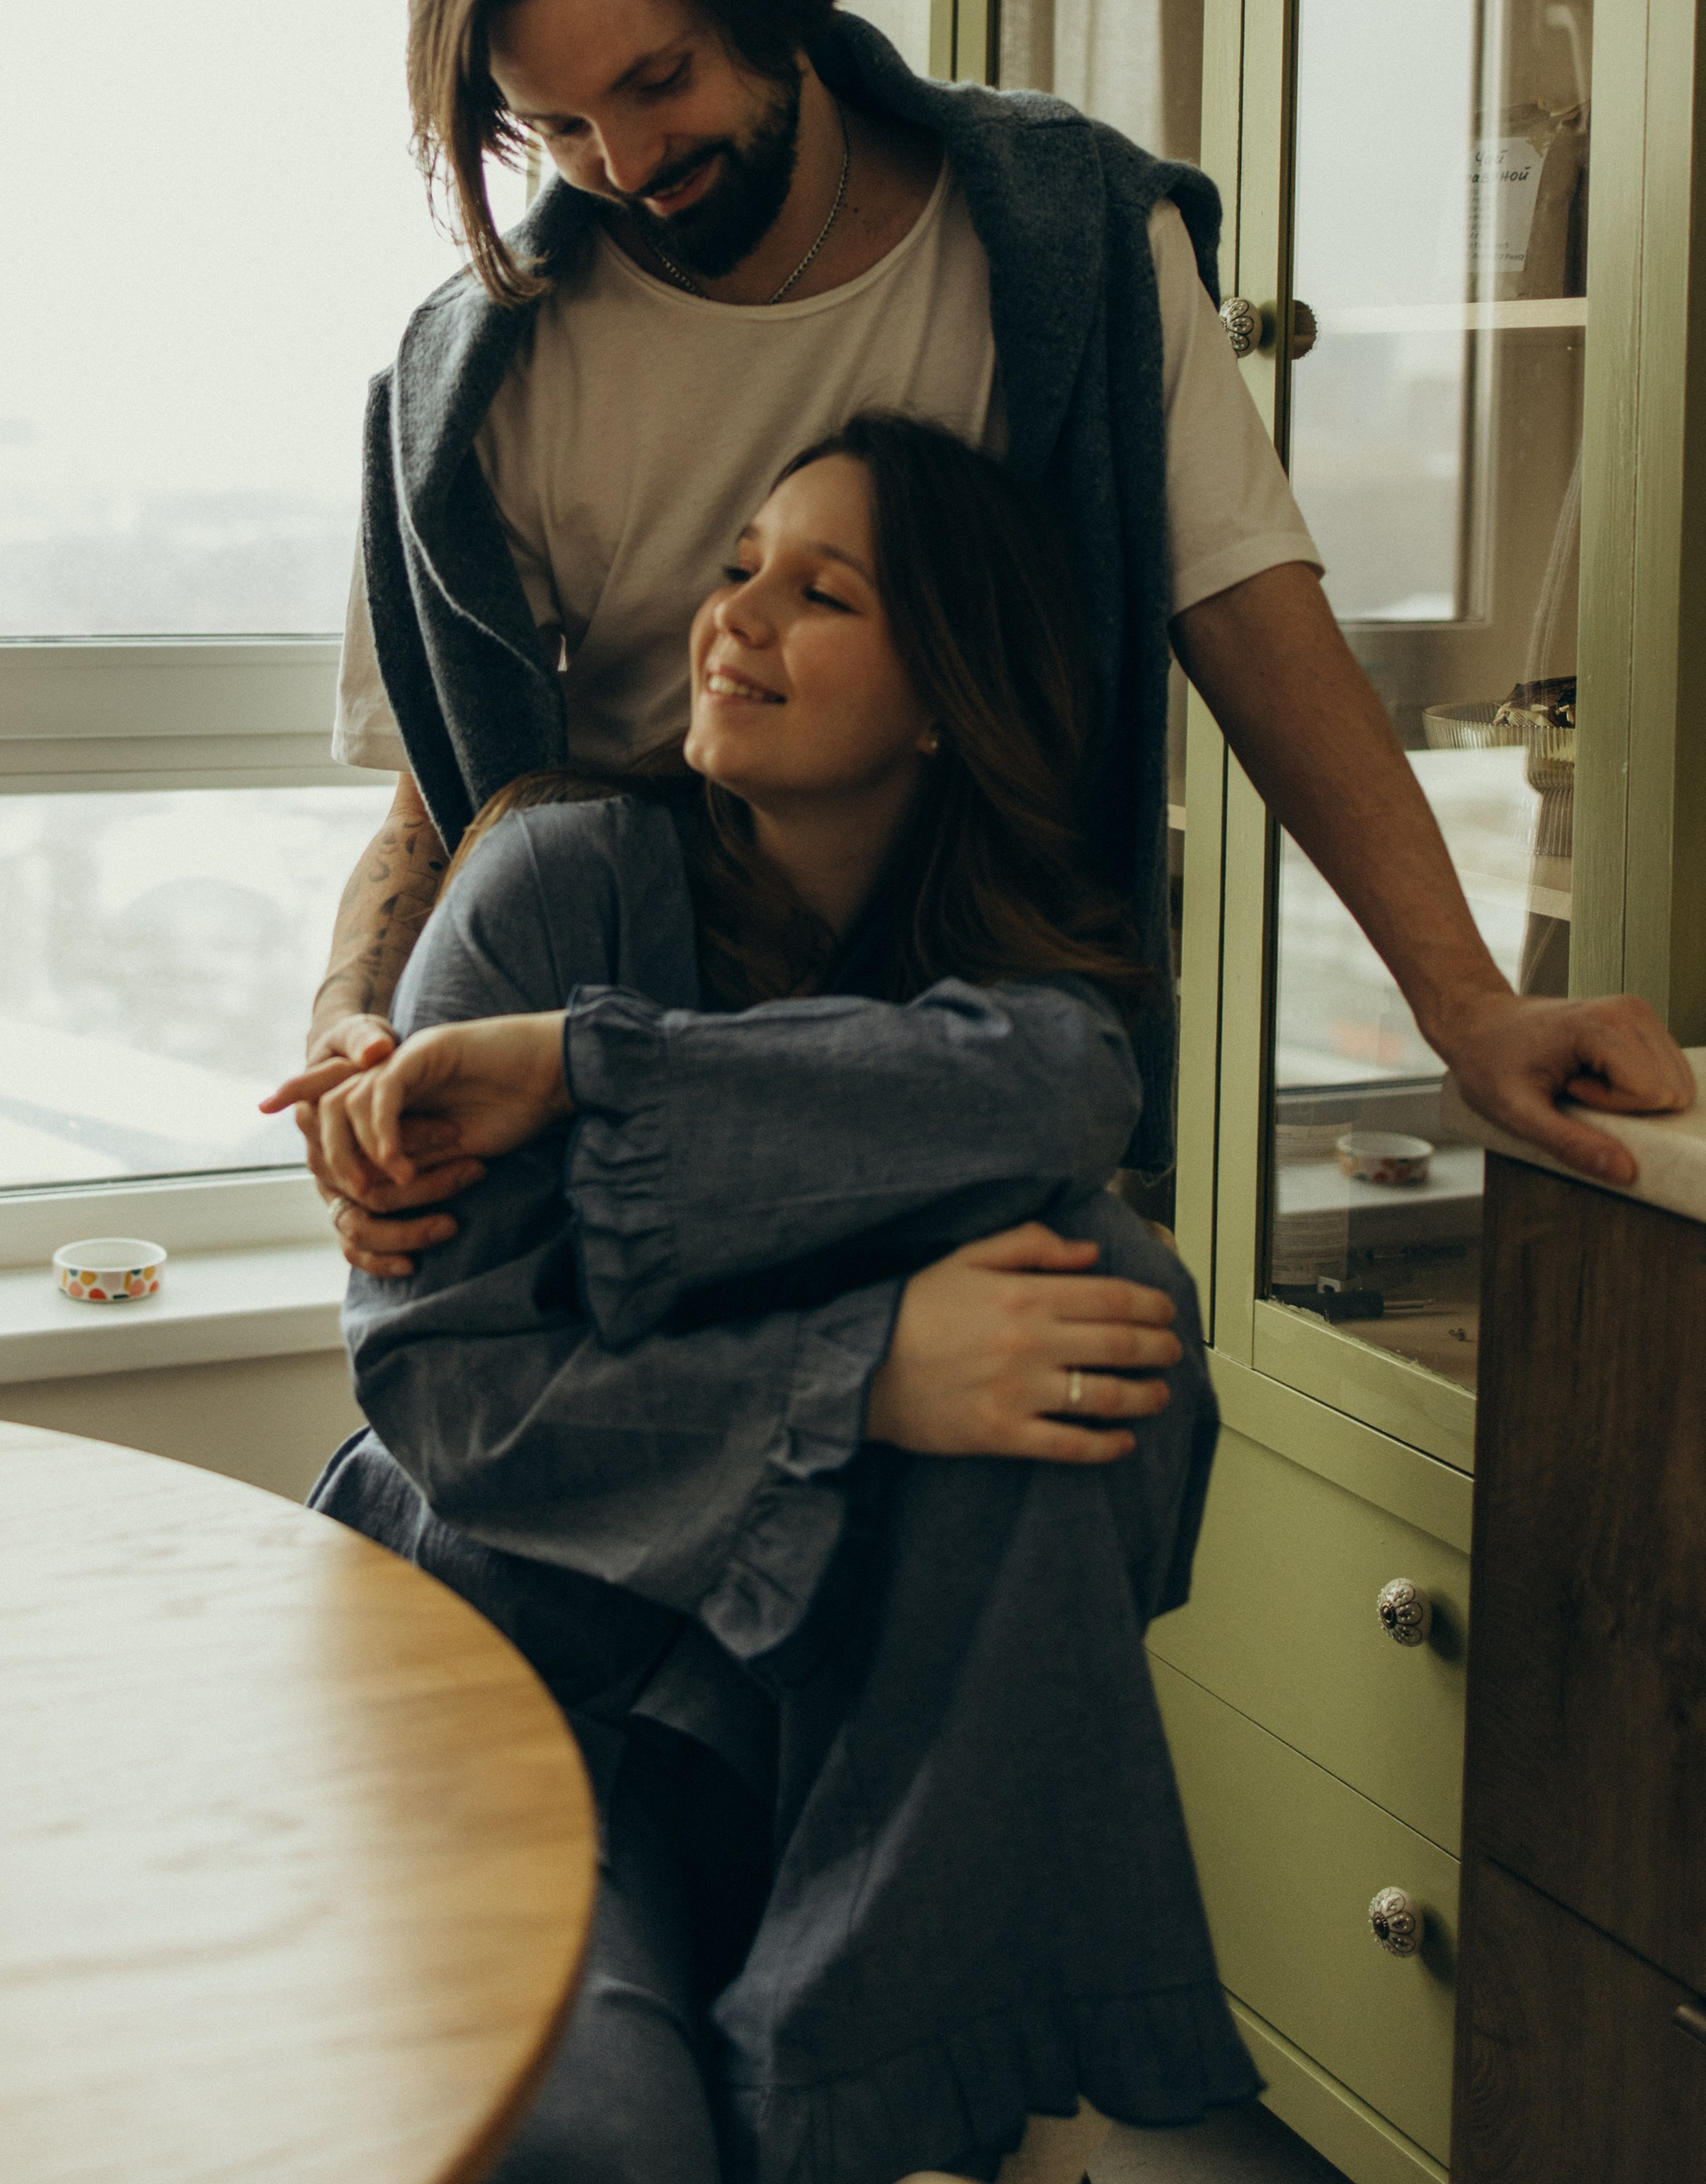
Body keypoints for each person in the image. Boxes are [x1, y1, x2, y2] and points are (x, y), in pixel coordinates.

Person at [271, 0, 1688, 1306]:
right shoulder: (488, 371)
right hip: (623, 1042)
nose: (622, 166)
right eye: (557, 129)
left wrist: (1471, 1010)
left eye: (659, 82)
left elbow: (1255, 621)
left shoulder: (1065, 238)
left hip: (965, 1030)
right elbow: (432, 793)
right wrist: (356, 1013)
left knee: (1109, 1364)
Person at [309, 418, 1263, 2184]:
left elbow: (1070, 1082)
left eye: (819, 592)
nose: (731, 617)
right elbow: (446, 1398)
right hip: (515, 1666)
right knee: (596, 2148)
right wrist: (859, 1373)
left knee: (1107, 1286)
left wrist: (586, 1075)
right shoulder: (550, 880)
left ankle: (844, 2048)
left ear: (939, 699)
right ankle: (858, 2076)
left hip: (803, 1699)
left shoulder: (1001, 993)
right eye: (735, 564)